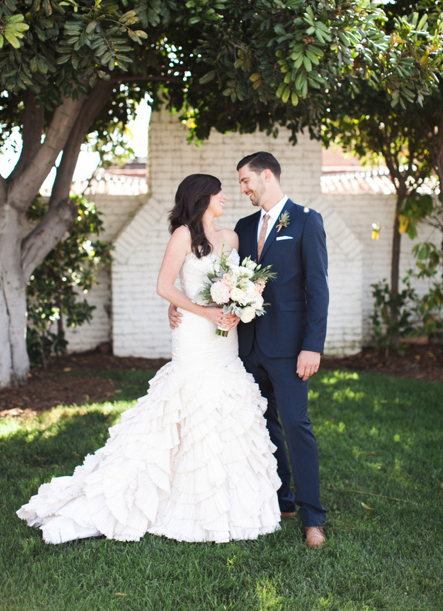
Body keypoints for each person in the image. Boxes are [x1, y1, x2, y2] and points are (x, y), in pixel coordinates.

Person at [17, 173, 281, 545]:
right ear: (202, 197)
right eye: (219, 191)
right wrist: (203, 311)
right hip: (194, 334)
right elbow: (164, 285)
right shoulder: (184, 236)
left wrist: (238, 306)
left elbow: (238, 281)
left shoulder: (233, 238)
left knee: (225, 404)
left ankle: (224, 500)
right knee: (188, 404)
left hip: (226, 338)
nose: (226, 196)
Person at [170, 153, 329, 548]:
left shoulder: (306, 220)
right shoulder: (241, 227)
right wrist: (177, 303)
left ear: (266, 176)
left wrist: (312, 346)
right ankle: (282, 499)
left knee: (296, 424)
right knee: (262, 424)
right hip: (244, 346)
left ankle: (312, 517)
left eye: (245, 181)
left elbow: (317, 288)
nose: (241, 189)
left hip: (290, 349)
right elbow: (215, 278)